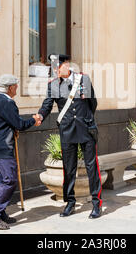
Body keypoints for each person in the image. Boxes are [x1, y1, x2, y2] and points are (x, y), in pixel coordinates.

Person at [35, 54, 103, 219]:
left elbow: (92, 103)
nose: (56, 70)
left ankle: (96, 203)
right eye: (54, 68)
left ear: (66, 65)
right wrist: (40, 116)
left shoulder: (83, 80)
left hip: (86, 130)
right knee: (69, 169)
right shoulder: (53, 86)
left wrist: (85, 119)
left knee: (91, 167)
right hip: (67, 131)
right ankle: (70, 203)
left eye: (58, 66)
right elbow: (47, 105)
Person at [0, 74, 42, 230]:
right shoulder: (8, 103)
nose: (17, 88)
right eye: (15, 85)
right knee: (10, 179)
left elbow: (0, 123)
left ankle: (0, 213)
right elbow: (19, 124)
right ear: (10, 88)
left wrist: (11, 129)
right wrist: (33, 120)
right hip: (2, 147)